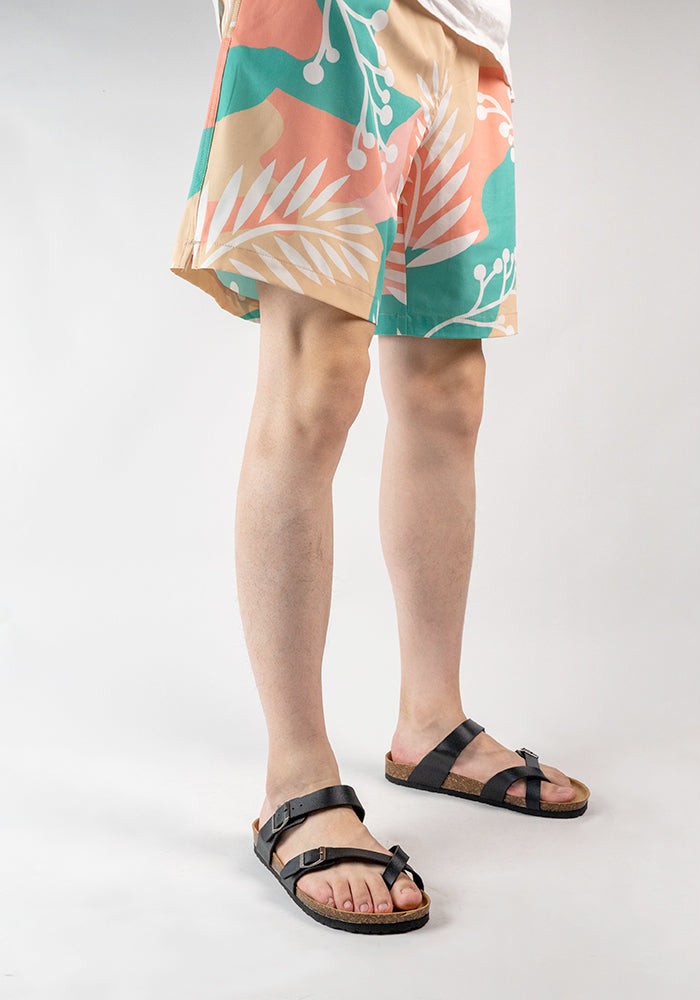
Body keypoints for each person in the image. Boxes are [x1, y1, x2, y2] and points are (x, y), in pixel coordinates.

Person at [169, 0, 589, 934]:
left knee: (448, 387)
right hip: (328, 17)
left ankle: (431, 722)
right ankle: (296, 778)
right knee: (315, 375)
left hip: (466, 32)